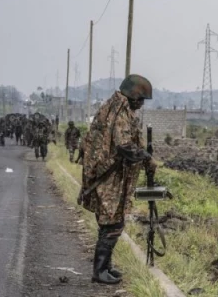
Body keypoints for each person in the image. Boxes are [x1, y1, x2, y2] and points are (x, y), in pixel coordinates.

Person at [79, 74, 156, 285]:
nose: (141, 104)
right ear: (132, 96)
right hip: (109, 177)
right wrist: (146, 157)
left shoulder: (116, 107)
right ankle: (100, 270)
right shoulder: (120, 112)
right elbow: (124, 146)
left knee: (110, 221)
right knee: (112, 222)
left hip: (109, 176)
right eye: (140, 100)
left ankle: (106, 267)